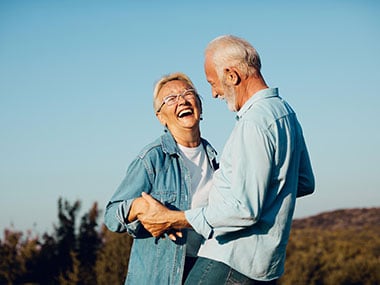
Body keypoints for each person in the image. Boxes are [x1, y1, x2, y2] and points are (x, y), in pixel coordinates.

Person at [136, 35, 315, 284]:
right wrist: (266, 195)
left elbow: (244, 209)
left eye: (213, 83)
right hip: (266, 266)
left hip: (230, 260)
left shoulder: (253, 123)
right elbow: (304, 182)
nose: (214, 93)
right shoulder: (285, 113)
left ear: (232, 75)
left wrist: (173, 218)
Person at [104, 72, 219, 284]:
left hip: (203, 270)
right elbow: (111, 215)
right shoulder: (152, 158)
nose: (182, 100)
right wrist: (139, 206)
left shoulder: (216, 161)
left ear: (200, 105)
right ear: (161, 117)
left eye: (188, 93)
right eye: (170, 99)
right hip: (159, 277)